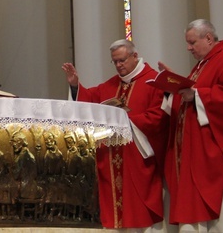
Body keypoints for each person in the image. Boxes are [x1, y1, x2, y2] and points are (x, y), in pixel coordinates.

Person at [159, 19, 223, 231]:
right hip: (197, 152)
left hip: (217, 151)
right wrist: (172, 86)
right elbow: (189, 98)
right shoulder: (202, 65)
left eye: (192, 42)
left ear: (209, 38)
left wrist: (196, 94)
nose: (188, 48)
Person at [62, 39, 168, 230]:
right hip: (112, 156)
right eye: (115, 62)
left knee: (140, 214)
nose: (119, 66)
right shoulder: (111, 85)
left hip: (137, 157)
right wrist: (75, 85)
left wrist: (127, 119)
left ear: (135, 56)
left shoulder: (153, 81)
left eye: (122, 60)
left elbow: (159, 116)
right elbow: (90, 100)